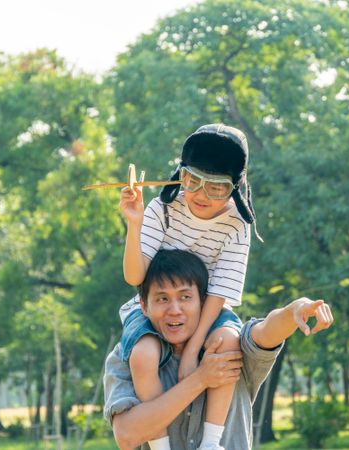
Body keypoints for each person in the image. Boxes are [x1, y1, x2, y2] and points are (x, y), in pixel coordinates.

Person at [104, 249, 334, 450]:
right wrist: (201, 379)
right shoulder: (129, 355)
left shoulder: (228, 344)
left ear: (203, 303)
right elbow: (126, 436)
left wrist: (295, 309)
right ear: (144, 306)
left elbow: (266, 331)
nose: (174, 310)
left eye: (185, 297)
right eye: (162, 299)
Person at [118, 124, 260, 450]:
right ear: (180, 175)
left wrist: (192, 352)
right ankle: (160, 444)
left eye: (217, 188)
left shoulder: (237, 225)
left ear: (235, 188)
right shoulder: (162, 208)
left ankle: (211, 443)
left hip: (206, 309)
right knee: (143, 354)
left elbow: (220, 290)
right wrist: (135, 222)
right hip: (158, 306)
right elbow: (135, 277)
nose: (201, 195)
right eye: (193, 181)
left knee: (228, 340)